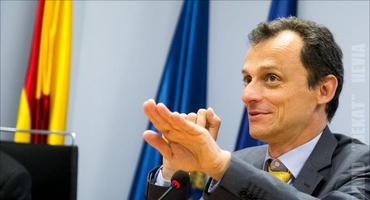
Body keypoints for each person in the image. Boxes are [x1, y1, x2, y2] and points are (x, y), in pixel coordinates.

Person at [142, 17, 370, 199]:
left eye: (271, 78)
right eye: (247, 79)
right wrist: (174, 172)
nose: (247, 95)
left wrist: (222, 166)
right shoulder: (239, 162)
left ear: (324, 90)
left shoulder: (358, 165)